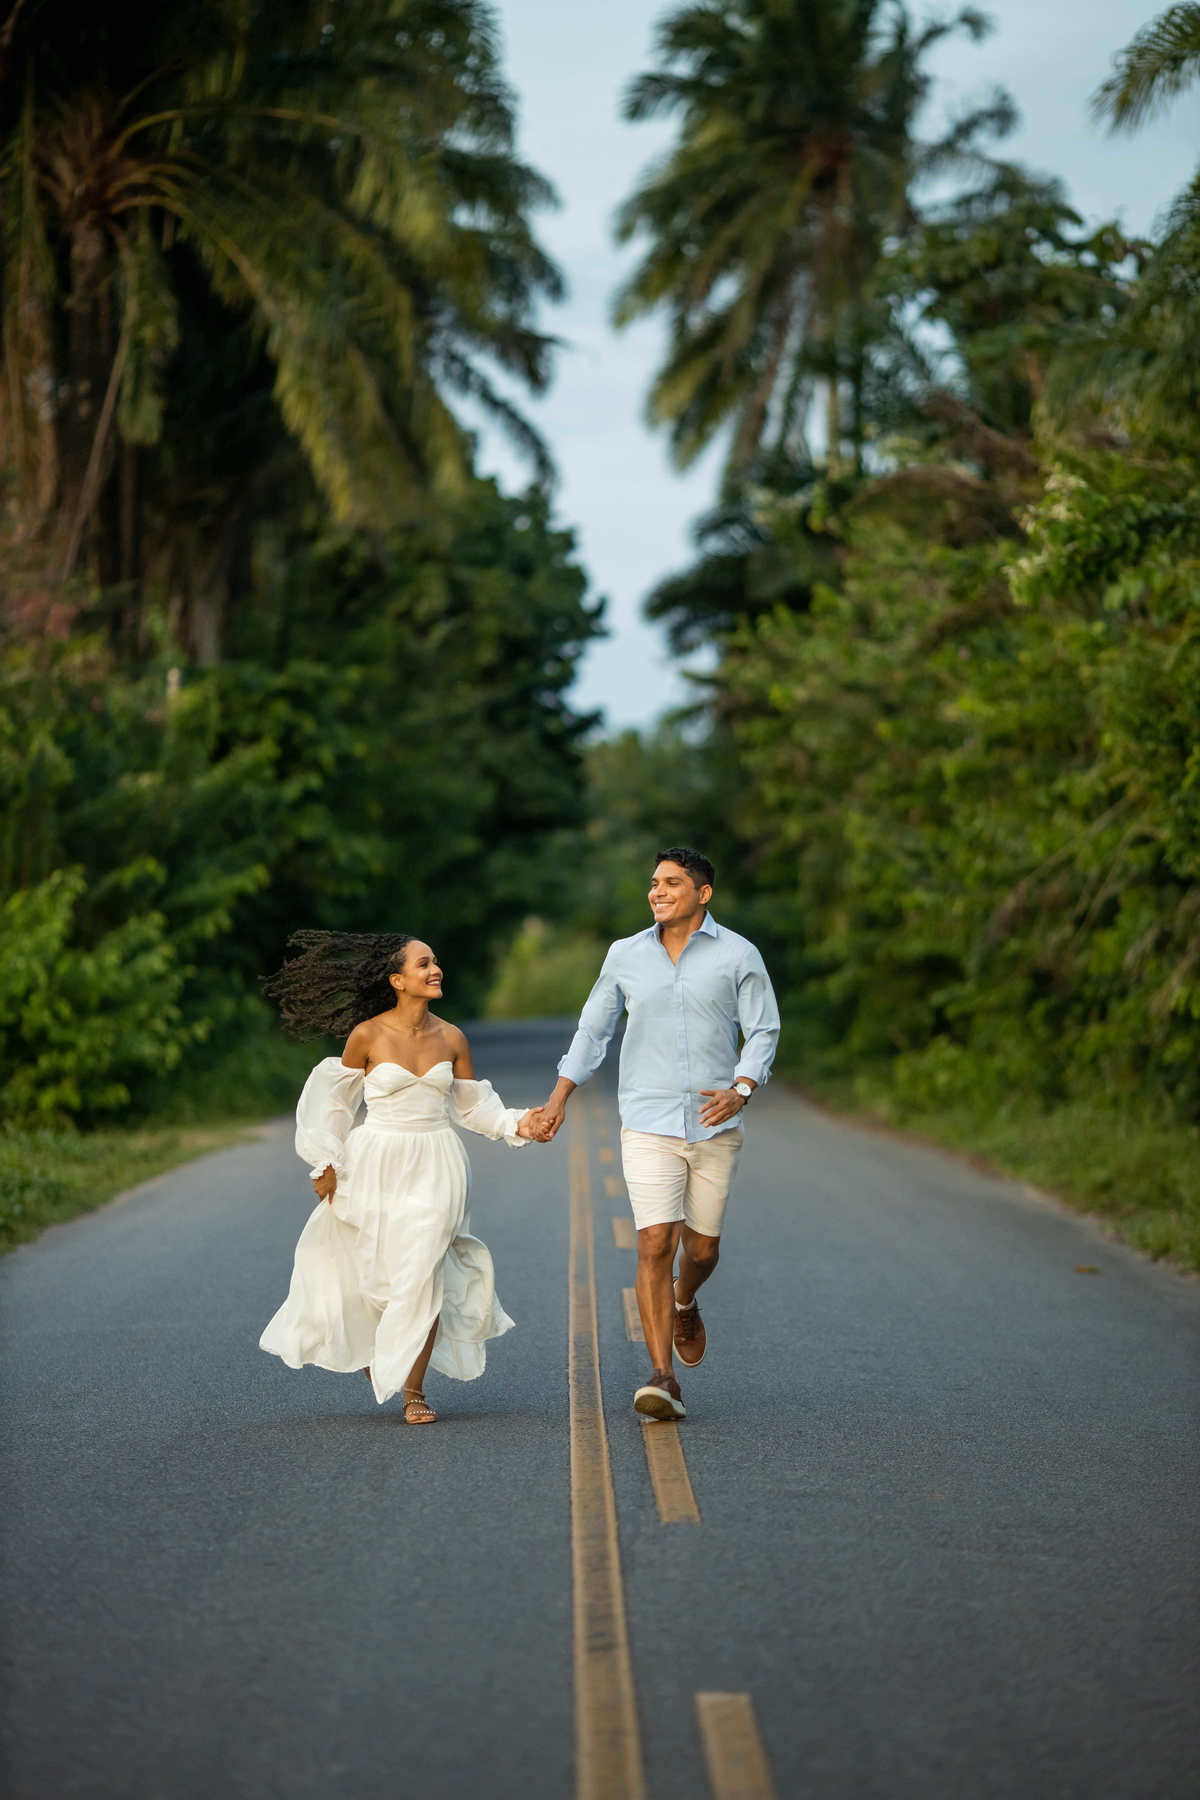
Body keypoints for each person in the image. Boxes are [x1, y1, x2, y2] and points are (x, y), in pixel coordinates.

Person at [259, 930, 548, 1422]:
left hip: (437, 1161)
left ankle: (414, 1391)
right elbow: (334, 1103)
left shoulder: (452, 1037)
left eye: (435, 962)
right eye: (423, 964)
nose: (435, 970)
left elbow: (472, 1106)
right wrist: (325, 1161)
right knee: (377, 1273)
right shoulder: (367, 1035)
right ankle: (379, 1351)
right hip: (374, 1160)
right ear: (397, 979)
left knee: (424, 1269)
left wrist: (519, 1122)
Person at [537, 847, 780, 1420]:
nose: (657, 891)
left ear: (703, 893)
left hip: (716, 1121)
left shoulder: (739, 954)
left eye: (672, 882)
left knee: (702, 1249)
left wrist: (741, 1087)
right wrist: (558, 1098)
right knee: (654, 1242)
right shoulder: (625, 956)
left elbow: (764, 1029)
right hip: (646, 1121)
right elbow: (593, 1030)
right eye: (653, 883)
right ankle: (662, 1376)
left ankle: (685, 1298)